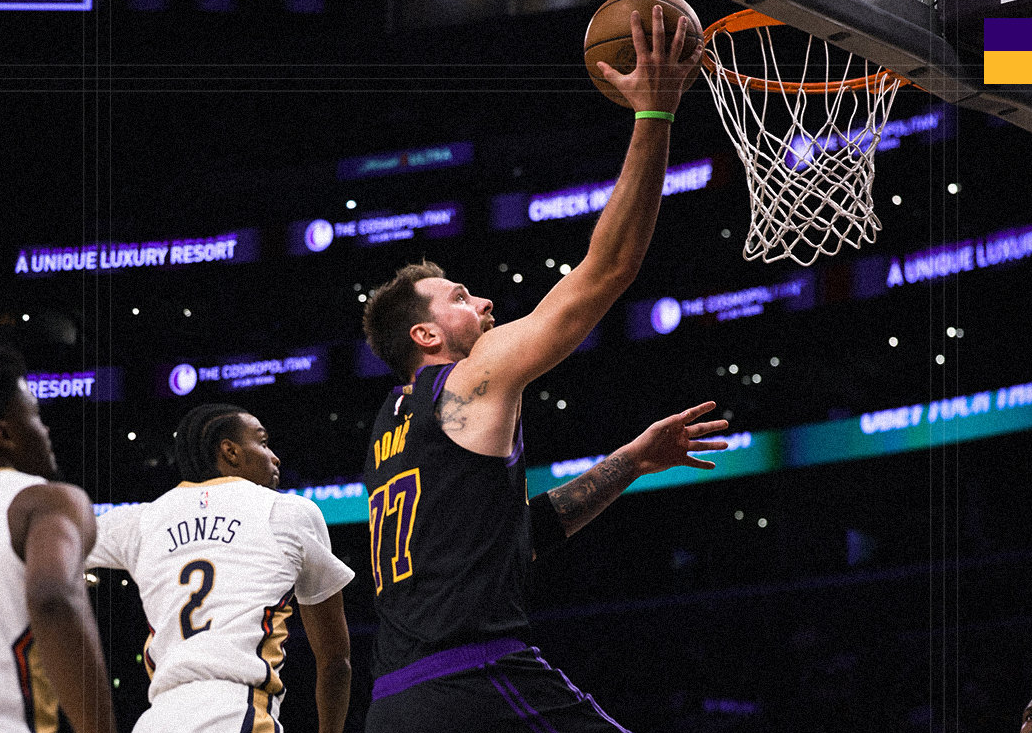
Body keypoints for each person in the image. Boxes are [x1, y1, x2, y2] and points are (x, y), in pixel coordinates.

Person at [361, 8, 721, 731]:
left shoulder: (389, 429)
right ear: (426, 334)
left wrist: (630, 460)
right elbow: (607, 270)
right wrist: (655, 111)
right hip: (474, 679)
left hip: (395, 705)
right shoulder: (469, 377)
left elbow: (519, 535)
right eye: (461, 298)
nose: (484, 303)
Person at [86, 403, 354, 733]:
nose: (275, 458)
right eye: (263, 443)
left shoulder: (142, 520)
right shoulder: (289, 512)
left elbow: (45, 538)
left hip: (156, 719)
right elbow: (335, 661)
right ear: (230, 451)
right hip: (236, 712)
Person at [0, 344, 117, 733]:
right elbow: (54, 596)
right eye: (36, 415)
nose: (46, 430)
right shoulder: (45, 500)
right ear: (6, 433)